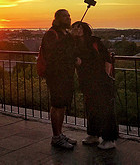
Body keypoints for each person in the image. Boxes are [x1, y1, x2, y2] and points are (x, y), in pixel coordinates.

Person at [72, 21, 118, 150]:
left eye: (79, 26)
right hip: (86, 80)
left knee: (104, 108)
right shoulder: (73, 44)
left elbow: (107, 58)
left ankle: (109, 138)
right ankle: (93, 134)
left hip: (99, 80)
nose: (77, 29)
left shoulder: (94, 42)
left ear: (85, 28)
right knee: (91, 107)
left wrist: (106, 76)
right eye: (74, 27)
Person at [41, 9, 78, 149]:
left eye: (69, 16)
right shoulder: (52, 34)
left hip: (66, 75)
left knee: (61, 106)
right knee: (57, 106)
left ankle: (60, 134)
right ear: (56, 19)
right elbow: (55, 56)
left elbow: (69, 51)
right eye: (65, 16)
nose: (68, 18)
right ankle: (56, 137)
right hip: (56, 76)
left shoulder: (64, 34)